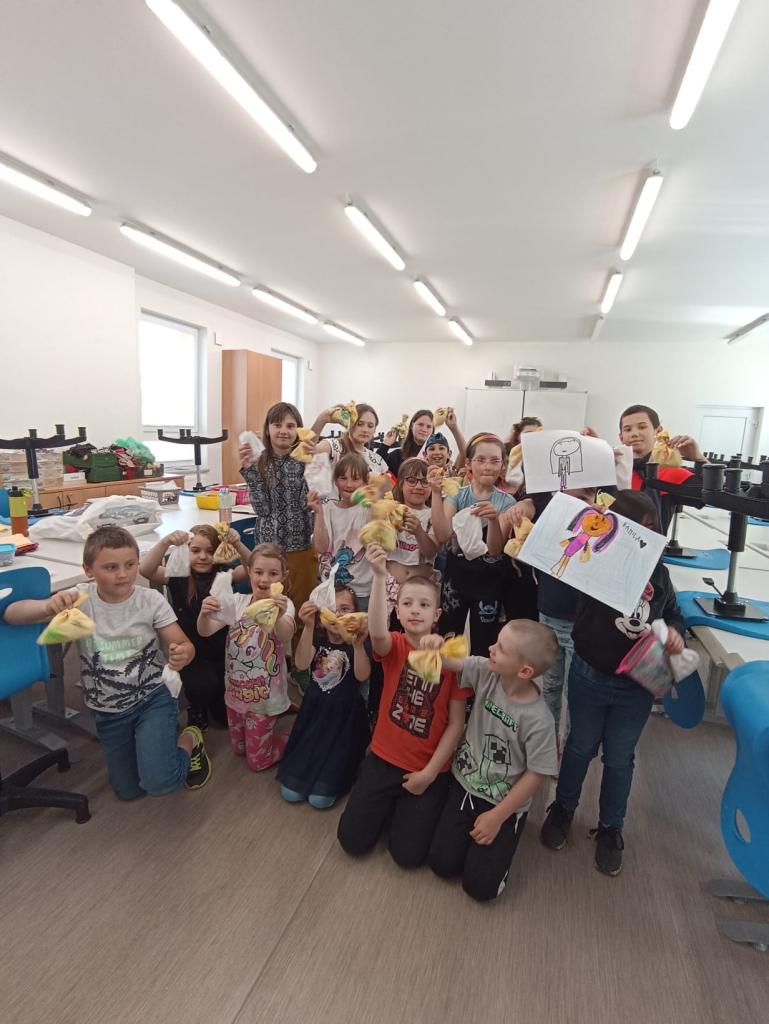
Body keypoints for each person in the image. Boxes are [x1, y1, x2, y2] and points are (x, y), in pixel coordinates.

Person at [540, 490, 686, 876]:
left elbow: (673, 613)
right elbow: (565, 556)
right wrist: (588, 527)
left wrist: (675, 632)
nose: (646, 538)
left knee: (620, 757)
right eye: (637, 529)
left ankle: (610, 827)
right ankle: (563, 808)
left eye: (652, 529)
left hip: (637, 684)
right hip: (590, 673)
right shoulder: (596, 564)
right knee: (580, 746)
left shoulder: (659, 573)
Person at [4, 525, 211, 797]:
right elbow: (12, 614)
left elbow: (184, 644)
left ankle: (189, 739)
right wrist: (47, 606)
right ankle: (152, 747)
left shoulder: (150, 600)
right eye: (111, 567)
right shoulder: (80, 599)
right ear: (88, 570)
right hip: (107, 710)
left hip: (153, 698)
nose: (123, 574)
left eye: (130, 565)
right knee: (128, 791)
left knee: (160, 782)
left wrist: (183, 653)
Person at [337, 543, 472, 868]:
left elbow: (457, 723)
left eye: (424, 605)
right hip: (383, 759)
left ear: (436, 615)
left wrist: (429, 774)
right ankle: (387, 807)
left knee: (407, 857)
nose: (415, 610)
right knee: (351, 841)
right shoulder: (395, 645)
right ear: (396, 611)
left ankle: (413, 808)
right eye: (407, 603)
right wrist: (379, 576)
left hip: (427, 769)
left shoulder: (452, 659)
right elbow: (377, 633)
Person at [426, 619, 558, 901]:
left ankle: (508, 839)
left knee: (480, 888)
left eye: (501, 648)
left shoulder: (540, 721)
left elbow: (536, 774)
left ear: (524, 671)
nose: (491, 648)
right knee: (441, 864)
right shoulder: (487, 671)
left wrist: (498, 817)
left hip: (502, 803)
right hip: (464, 786)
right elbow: (452, 663)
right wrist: (435, 646)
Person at [139, 524, 251, 731]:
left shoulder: (224, 573)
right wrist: (165, 542)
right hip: (191, 649)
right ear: (186, 551)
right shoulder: (178, 574)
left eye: (210, 551)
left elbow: (252, 568)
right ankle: (196, 706)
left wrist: (237, 542)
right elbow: (145, 569)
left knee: (223, 714)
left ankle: (213, 700)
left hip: (220, 648)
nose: (203, 557)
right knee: (203, 686)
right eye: (196, 550)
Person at [198, 543, 296, 771]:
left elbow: (285, 635)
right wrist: (204, 614)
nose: (265, 579)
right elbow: (205, 631)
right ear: (249, 571)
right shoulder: (237, 601)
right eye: (259, 572)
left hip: (265, 698)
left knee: (257, 763)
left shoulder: (284, 605)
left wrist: (280, 615)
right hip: (235, 693)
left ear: (284, 576)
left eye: (273, 573)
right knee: (239, 749)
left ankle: (298, 735)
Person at [277, 587, 371, 808]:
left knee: (320, 800)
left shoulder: (358, 644)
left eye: (345, 609)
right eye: (331, 608)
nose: (337, 614)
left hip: (344, 719)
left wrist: (358, 646)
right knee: (290, 793)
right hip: (314, 714)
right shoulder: (317, 639)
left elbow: (362, 675)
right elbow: (301, 664)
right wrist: (308, 626)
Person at [430, 433, 514, 654]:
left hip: (489, 582)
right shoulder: (457, 494)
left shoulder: (507, 502)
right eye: (481, 460)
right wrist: (436, 494)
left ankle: (479, 679)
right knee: (448, 637)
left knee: (484, 643)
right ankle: (447, 676)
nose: (487, 466)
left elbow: (495, 550)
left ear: (503, 466)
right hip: (456, 578)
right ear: (469, 463)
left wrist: (493, 520)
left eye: (495, 461)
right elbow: (443, 534)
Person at [238, 401, 317, 614]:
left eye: (290, 426)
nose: (283, 431)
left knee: (301, 608)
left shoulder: (304, 459)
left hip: (300, 546)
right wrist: (249, 471)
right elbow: (262, 509)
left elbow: (306, 504)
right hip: (268, 550)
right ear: (267, 429)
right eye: (277, 425)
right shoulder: (259, 461)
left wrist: (312, 462)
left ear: (298, 430)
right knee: (267, 608)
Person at [616, 404, 706, 532]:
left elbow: (714, 495)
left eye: (642, 427)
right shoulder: (613, 471)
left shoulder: (670, 473)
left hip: (650, 544)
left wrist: (699, 458)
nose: (634, 433)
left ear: (658, 431)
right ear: (621, 437)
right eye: (628, 429)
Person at [309, 452, 373, 610]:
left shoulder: (369, 510)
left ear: (365, 482)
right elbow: (321, 547)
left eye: (355, 479)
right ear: (335, 481)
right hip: (330, 588)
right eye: (343, 478)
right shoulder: (326, 508)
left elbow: (373, 541)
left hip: (361, 591)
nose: (349, 485)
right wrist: (318, 513)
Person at [310, 402, 389, 475]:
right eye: (360, 424)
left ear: (375, 430)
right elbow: (308, 451)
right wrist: (322, 419)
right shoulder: (334, 447)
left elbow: (389, 483)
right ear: (349, 424)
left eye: (370, 426)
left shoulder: (377, 460)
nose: (365, 430)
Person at [374, 409, 434, 475]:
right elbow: (375, 469)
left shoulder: (436, 457)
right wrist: (385, 445)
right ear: (412, 426)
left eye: (429, 427)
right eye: (420, 424)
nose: (424, 429)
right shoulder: (397, 456)